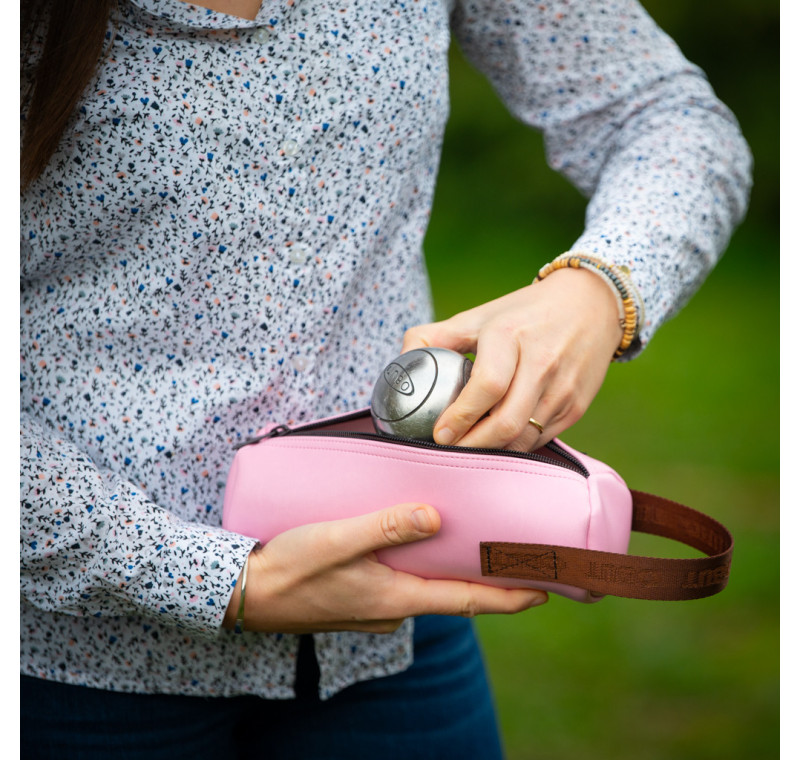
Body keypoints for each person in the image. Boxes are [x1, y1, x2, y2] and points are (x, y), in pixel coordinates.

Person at [20, 0, 751, 757]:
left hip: (401, 630)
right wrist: (213, 578)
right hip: (67, 670)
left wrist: (600, 287)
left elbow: (667, 116)